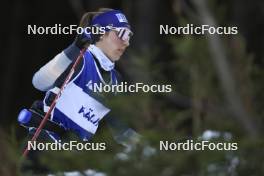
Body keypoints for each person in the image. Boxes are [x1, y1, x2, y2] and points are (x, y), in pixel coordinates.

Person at [19, 8, 140, 147]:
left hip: (72, 156)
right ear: (100, 33)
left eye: (129, 35)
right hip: (44, 144)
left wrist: (152, 150)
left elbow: (121, 131)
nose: (126, 42)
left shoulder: (115, 80)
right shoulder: (81, 58)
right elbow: (39, 82)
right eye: (122, 34)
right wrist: (74, 48)